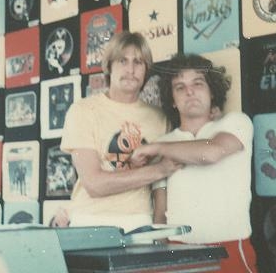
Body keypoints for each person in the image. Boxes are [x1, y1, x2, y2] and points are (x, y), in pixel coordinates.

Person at [131, 53, 258, 272]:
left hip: (229, 249)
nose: (189, 91)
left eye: (198, 83)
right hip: (178, 252)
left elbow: (212, 152)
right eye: (179, 87)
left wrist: (157, 148)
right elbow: (160, 213)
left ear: (212, 91)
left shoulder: (236, 122)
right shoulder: (165, 141)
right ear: (172, 98)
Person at [50, 31, 181, 230]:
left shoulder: (160, 119)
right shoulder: (83, 111)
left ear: (146, 70)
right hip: (90, 220)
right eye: (122, 61)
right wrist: (158, 170)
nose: (130, 69)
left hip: (140, 222)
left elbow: (162, 187)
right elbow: (95, 184)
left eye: (138, 62)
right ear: (108, 66)